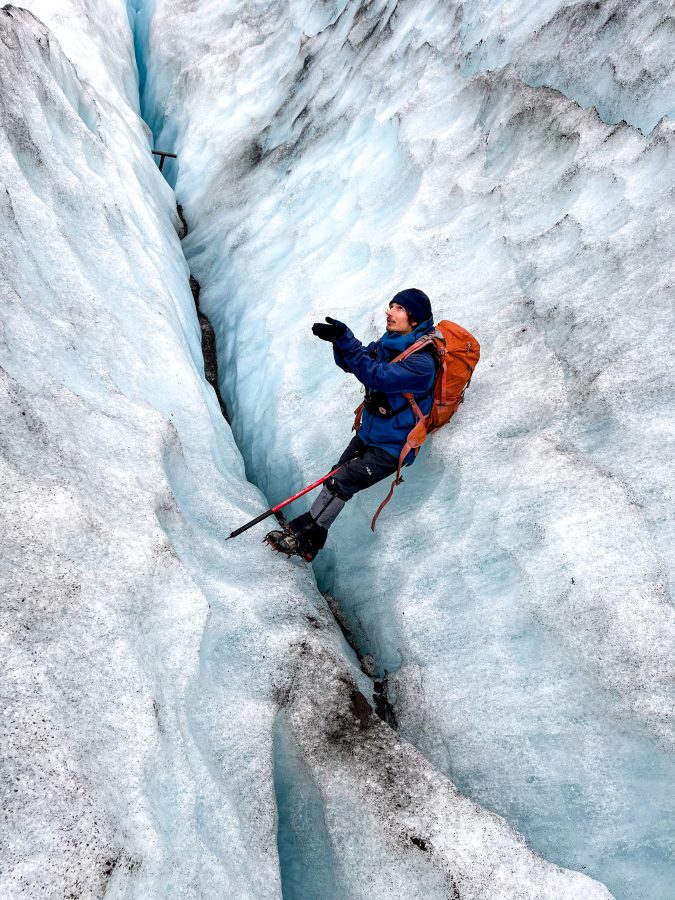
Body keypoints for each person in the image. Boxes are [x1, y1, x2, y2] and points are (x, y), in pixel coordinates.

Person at [266, 288, 436, 560]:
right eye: (391, 306)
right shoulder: (390, 342)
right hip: (371, 434)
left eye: (399, 309)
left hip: (394, 446)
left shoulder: (422, 362)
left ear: (414, 319)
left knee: (341, 480)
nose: (389, 312)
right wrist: (339, 342)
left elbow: (376, 375)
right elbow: (355, 364)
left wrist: (348, 341)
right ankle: (310, 544)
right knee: (336, 476)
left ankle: (302, 536)